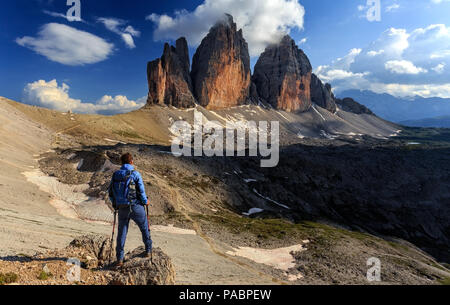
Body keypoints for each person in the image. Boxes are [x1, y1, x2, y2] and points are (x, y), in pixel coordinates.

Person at [108, 153, 152, 267]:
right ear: (131, 162)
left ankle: (120, 259)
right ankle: (148, 250)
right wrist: (145, 201)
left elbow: (110, 192)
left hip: (122, 208)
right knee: (144, 227)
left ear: (121, 163)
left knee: (122, 232)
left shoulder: (116, 174)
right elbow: (141, 191)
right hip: (136, 206)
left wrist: (115, 204)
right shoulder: (135, 174)